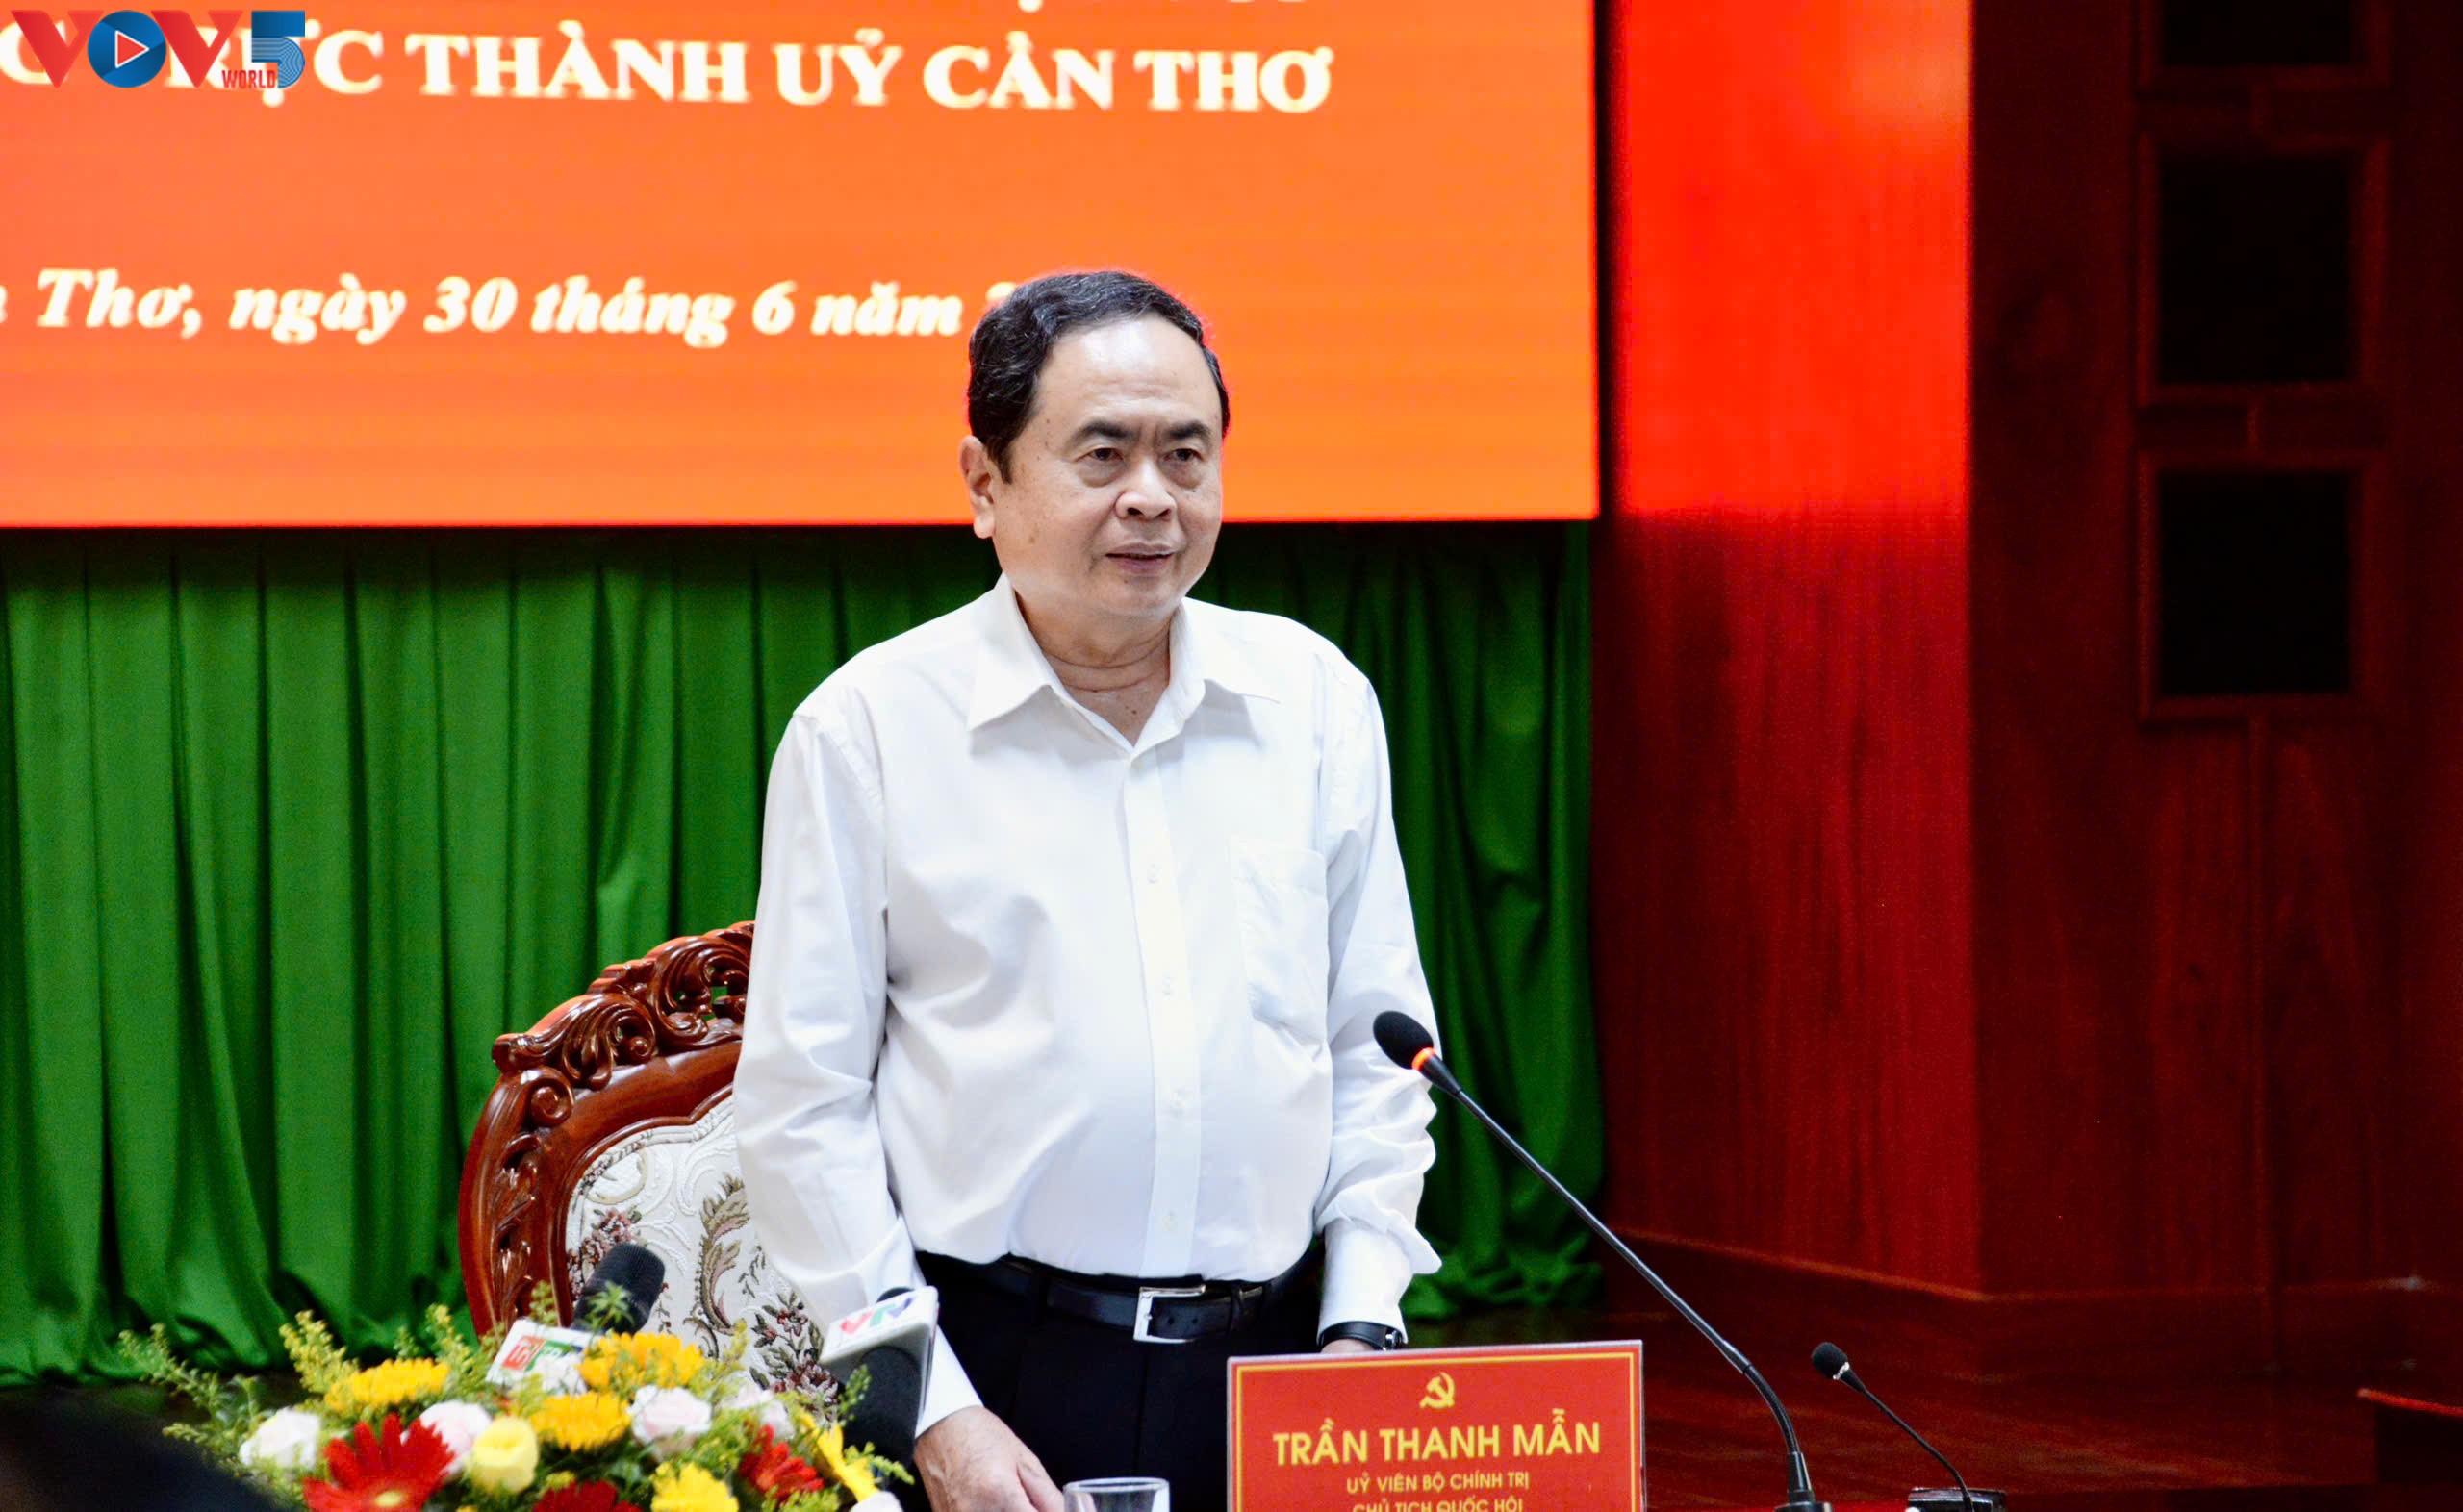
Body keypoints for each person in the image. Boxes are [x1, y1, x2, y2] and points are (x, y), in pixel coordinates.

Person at [734, 270, 1441, 1512]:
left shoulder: (1314, 701)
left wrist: (1362, 1323)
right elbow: (803, 1111)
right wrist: (932, 1407)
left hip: (1282, 1366)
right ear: (984, 483)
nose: (1152, 498)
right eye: (1103, 454)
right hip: (995, 1378)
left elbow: (1375, 1049)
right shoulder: (870, 731)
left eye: (1187, 454)